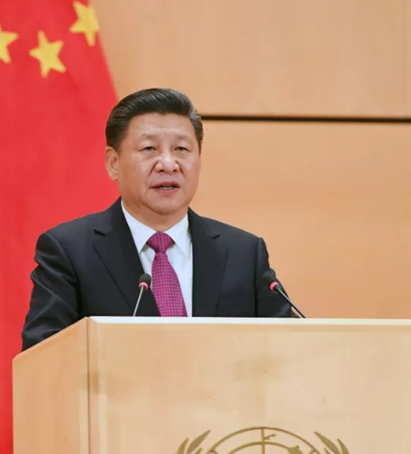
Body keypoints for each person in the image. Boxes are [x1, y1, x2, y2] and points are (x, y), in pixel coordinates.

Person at [21, 88, 294, 350]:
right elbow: (44, 358)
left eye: (181, 149)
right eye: (149, 148)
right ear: (113, 163)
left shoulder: (243, 254)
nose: (168, 164)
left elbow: (292, 350)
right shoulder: (70, 252)